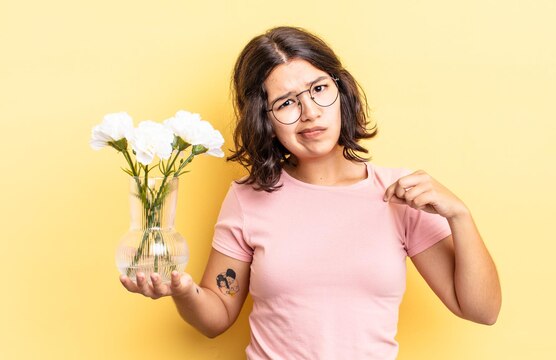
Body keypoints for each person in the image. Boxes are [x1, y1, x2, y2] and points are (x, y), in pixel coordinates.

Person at [120, 26, 502, 359]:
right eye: (286, 102)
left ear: (341, 91)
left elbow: (481, 310)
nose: (310, 112)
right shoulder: (247, 198)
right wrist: (183, 291)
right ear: (265, 119)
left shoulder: (399, 195)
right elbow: (216, 317)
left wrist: (459, 216)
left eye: (319, 89)